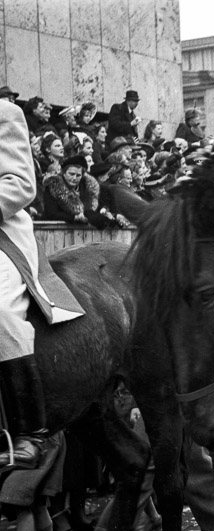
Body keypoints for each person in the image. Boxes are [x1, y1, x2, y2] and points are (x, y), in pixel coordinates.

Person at [0, 99, 85, 469]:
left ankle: (28, 430)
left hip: (3, 237)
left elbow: (20, 185)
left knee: (1, 310)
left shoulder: (5, 114)